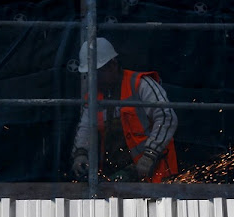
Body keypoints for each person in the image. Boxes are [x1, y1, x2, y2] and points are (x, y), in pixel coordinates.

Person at [71, 37, 178, 182]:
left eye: (98, 72)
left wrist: (150, 154)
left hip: (153, 172)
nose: (94, 78)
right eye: (90, 74)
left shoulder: (140, 84)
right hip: (116, 173)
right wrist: (81, 153)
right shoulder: (93, 96)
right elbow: (86, 128)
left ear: (112, 65)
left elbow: (167, 117)